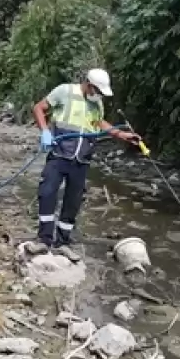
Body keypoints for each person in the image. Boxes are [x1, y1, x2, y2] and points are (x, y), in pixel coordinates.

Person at [25, 68, 140, 262]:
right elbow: (39, 108)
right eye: (97, 90)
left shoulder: (97, 103)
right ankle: (44, 239)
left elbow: (98, 122)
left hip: (82, 159)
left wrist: (121, 135)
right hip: (60, 153)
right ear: (88, 84)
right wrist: (44, 131)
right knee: (47, 192)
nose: (99, 95)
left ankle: (62, 243)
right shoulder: (65, 91)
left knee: (73, 202)